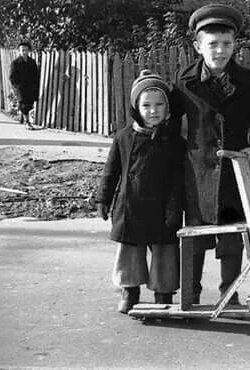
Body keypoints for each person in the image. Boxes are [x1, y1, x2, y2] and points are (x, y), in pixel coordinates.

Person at [170, 4, 250, 305]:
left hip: (233, 173)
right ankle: (190, 293)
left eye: (227, 44)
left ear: (234, 45)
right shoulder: (185, 81)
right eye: (212, 44)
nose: (220, 51)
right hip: (197, 171)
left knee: (233, 234)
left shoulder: (248, 81)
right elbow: (173, 121)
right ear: (198, 46)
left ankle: (230, 292)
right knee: (196, 234)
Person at [97, 70, 185, 314]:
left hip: (162, 207)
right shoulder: (124, 137)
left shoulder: (174, 141)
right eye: (146, 105)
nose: (153, 110)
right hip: (130, 205)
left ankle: (163, 293)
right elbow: (111, 170)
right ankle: (130, 290)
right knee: (130, 252)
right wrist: (103, 198)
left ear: (167, 109)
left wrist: (175, 208)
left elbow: (179, 180)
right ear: (136, 106)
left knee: (165, 252)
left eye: (159, 105)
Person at [9, 41, 39, 130]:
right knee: (24, 104)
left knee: (30, 104)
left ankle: (22, 116)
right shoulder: (15, 63)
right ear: (19, 51)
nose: (24, 52)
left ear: (29, 51)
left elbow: (36, 75)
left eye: (26, 50)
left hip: (30, 87)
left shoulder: (32, 62)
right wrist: (16, 87)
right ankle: (27, 122)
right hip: (20, 87)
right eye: (22, 50)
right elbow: (12, 77)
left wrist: (35, 85)